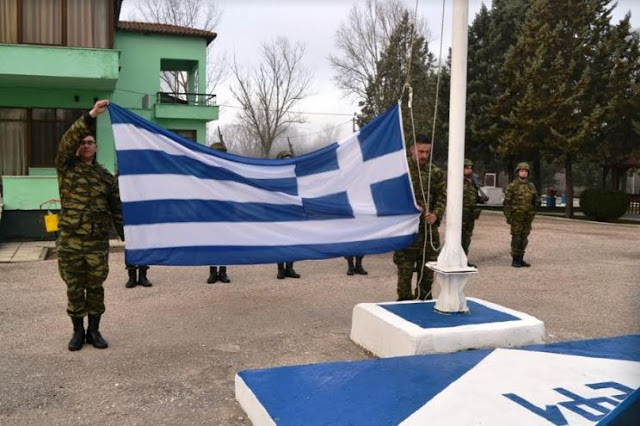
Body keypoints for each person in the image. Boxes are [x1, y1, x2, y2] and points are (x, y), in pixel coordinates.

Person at [56, 99, 123, 351]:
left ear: (96, 147)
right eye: (82, 142)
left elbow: (117, 208)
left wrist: (129, 234)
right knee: (74, 288)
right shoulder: (66, 169)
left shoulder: (105, 177)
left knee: (95, 288)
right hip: (71, 241)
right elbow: (66, 142)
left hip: (96, 243)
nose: (85, 145)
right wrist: (92, 114)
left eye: (90, 142)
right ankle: (77, 332)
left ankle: (94, 331)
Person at [394, 134, 446, 301]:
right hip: (407, 232)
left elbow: (441, 197)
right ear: (412, 150)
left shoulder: (435, 173)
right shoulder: (401, 170)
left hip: (428, 232)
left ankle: (423, 306)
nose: (424, 155)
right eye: (420, 151)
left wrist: (436, 214)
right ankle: (403, 307)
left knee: (427, 275)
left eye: (427, 152)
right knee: (405, 273)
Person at [503, 162, 540, 267]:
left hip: (528, 217)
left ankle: (521, 258)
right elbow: (507, 203)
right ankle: (515, 259)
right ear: (518, 172)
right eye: (521, 171)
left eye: (525, 171)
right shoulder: (512, 186)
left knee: (524, 238)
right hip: (516, 217)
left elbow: (536, 199)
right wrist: (508, 216)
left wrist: (535, 206)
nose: (523, 173)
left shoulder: (531, 186)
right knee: (517, 238)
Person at [206, 141, 231, 284]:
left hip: (226, 211)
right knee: (212, 243)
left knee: (225, 243)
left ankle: (223, 272)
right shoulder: (206, 168)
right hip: (211, 211)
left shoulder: (228, 170)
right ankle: (212, 272)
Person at [275, 150, 301, 280]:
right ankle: (280, 269)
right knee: (280, 242)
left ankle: (290, 267)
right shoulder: (275, 177)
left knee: (292, 242)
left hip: (292, 214)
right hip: (279, 214)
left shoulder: (295, 176)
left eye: (289, 159)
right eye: (285, 159)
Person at [462, 159, 488, 267]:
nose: (469, 170)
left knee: (467, 238)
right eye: (467, 168)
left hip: (470, 215)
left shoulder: (473, 183)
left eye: (470, 168)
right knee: (459, 238)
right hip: (461, 214)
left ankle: (464, 260)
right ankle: (457, 260)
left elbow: (474, 197)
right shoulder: (457, 181)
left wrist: (480, 199)